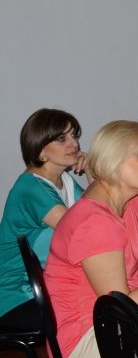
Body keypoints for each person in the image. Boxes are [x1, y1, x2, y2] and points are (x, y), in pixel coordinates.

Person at [43, 120, 138, 358]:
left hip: (115, 318)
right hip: (88, 338)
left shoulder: (131, 198)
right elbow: (120, 302)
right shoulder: (95, 223)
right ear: (115, 160)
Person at [0, 109, 88, 330]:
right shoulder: (31, 187)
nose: (74, 143)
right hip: (17, 298)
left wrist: (92, 170)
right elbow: (81, 232)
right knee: (103, 306)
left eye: (73, 135)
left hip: (47, 288)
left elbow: (97, 215)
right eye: (62, 138)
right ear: (40, 151)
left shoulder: (64, 180)